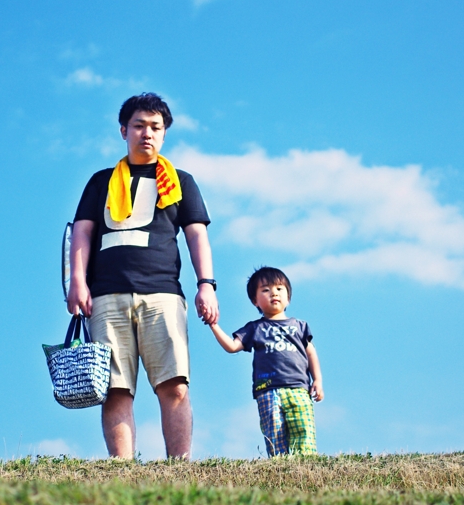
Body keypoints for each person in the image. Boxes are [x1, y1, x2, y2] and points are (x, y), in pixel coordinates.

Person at [68, 93, 219, 459]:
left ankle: (179, 466)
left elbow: (197, 234)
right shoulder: (101, 181)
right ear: (124, 130)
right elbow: (82, 232)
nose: (146, 133)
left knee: (175, 385)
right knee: (115, 389)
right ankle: (122, 470)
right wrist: (77, 280)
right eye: (139, 125)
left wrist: (206, 285)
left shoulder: (180, 181)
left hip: (163, 294)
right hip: (106, 295)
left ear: (164, 134)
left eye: (155, 127)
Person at [206, 266, 324, 456]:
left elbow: (311, 353)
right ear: (255, 301)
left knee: (304, 431)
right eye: (265, 290)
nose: (273, 293)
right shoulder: (255, 328)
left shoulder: (299, 327)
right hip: (267, 390)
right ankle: (280, 468)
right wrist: (213, 325)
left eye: (279, 288)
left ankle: (305, 466)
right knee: (274, 433)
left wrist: (317, 380)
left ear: (288, 297)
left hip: (299, 388)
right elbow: (232, 346)